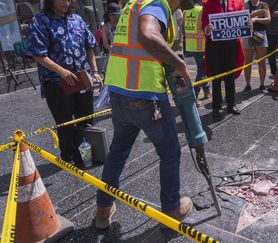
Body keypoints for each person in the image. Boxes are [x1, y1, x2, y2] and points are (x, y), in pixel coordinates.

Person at [95, 0, 195, 230]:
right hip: (145, 96)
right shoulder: (157, 4)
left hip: (119, 93)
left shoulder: (135, 4)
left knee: (118, 151)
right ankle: (171, 208)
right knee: (170, 151)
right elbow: (148, 35)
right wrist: (180, 64)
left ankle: (103, 208)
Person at [26, 0, 102, 165]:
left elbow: (90, 45)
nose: (67, 3)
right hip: (57, 83)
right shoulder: (40, 21)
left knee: (86, 119)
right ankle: (69, 157)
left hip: (82, 80)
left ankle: (90, 152)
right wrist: (61, 71)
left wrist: (95, 71)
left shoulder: (77, 19)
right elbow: (37, 54)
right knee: (65, 122)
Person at [202, 0, 245, 118]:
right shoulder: (207, 3)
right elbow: (204, 22)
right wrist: (208, 29)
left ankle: (231, 105)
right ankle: (216, 106)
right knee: (216, 78)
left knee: (230, 77)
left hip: (231, 45)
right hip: (214, 46)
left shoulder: (238, 2)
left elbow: (242, 22)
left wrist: (248, 25)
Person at [183, 1, 211, 106]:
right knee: (202, 71)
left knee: (201, 69)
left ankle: (207, 90)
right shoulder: (202, 10)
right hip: (201, 45)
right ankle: (194, 96)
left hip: (191, 45)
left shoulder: (186, 11)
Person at [242, 0, 271, 94]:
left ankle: (262, 85)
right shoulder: (246, 5)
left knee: (262, 62)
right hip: (248, 34)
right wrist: (256, 14)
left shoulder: (264, 5)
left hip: (261, 34)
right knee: (247, 63)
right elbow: (242, 18)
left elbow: (268, 20)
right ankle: (247, 85)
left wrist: (256, 19)